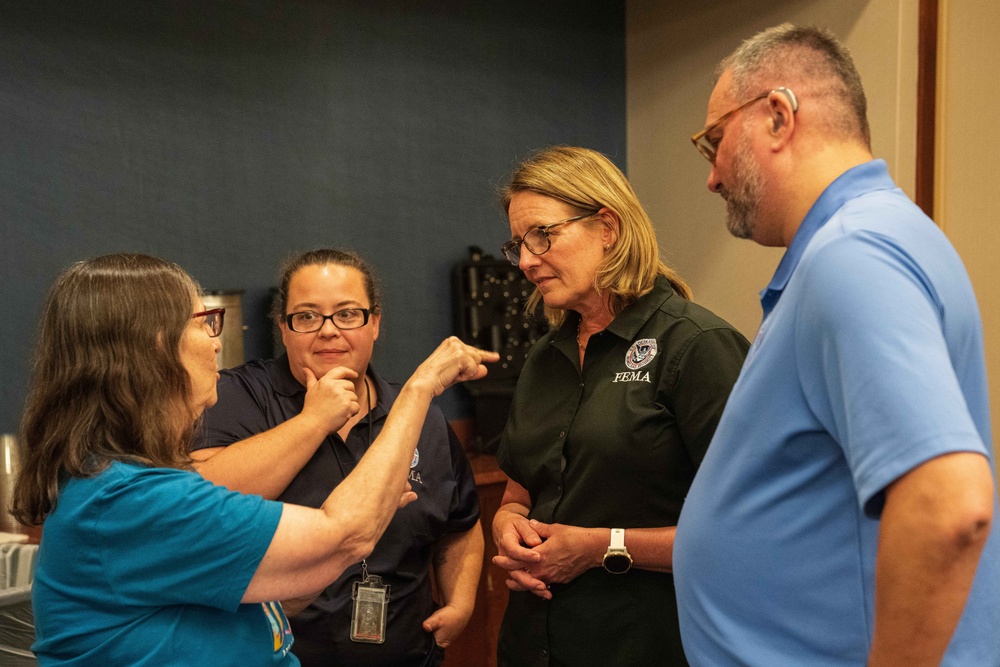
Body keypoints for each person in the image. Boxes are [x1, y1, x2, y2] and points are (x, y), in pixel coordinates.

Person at [675, 24, 1000, 666]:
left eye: (714, 141)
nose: (711, 177)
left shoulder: (853, 254)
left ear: (777, 115)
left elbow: (949, 503)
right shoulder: (868, 239)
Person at [9, 253, 496, 666]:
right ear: (153, 349)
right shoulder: (131, 499)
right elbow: (345, 533)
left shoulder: (125, 482)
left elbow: (276, 583)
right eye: (204, 323)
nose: (217, 342)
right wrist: (421, 389)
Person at [490, 145, 750, 666]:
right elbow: (520, 494)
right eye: (517, 243)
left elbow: (746, 534)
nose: (525, 261)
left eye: (543, 235)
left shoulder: (696, 346)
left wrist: (598, 547)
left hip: (643, 643)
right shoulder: (545, 357)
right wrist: (507, 526)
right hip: (536, 643)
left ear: (607, 226)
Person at [189, 248, 485, 667]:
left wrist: (461, 601)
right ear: (283, 328)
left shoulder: (417, 413)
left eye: (347, 314)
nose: (328, 331)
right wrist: (314, 420)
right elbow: (203, 497)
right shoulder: (236, 396)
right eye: (307, 316)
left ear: (376, 322)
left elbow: (460, 525)